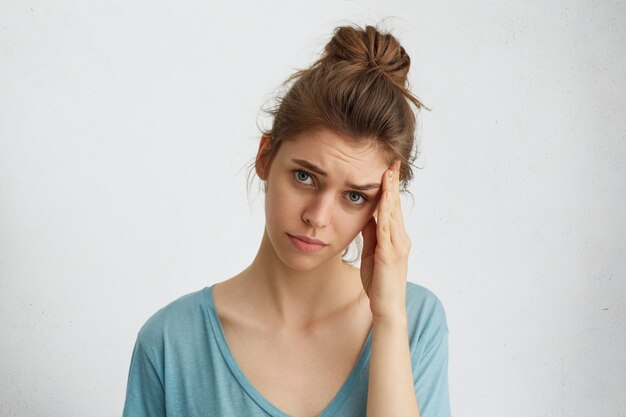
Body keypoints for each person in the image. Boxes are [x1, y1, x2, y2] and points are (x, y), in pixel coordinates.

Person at [122, 24, 451, 417]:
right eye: (305, 176)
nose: (317, 217)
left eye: (354, 196)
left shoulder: (415, 322)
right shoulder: (171, 343)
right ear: (265, 156)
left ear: (382, 207)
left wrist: (389, 318)